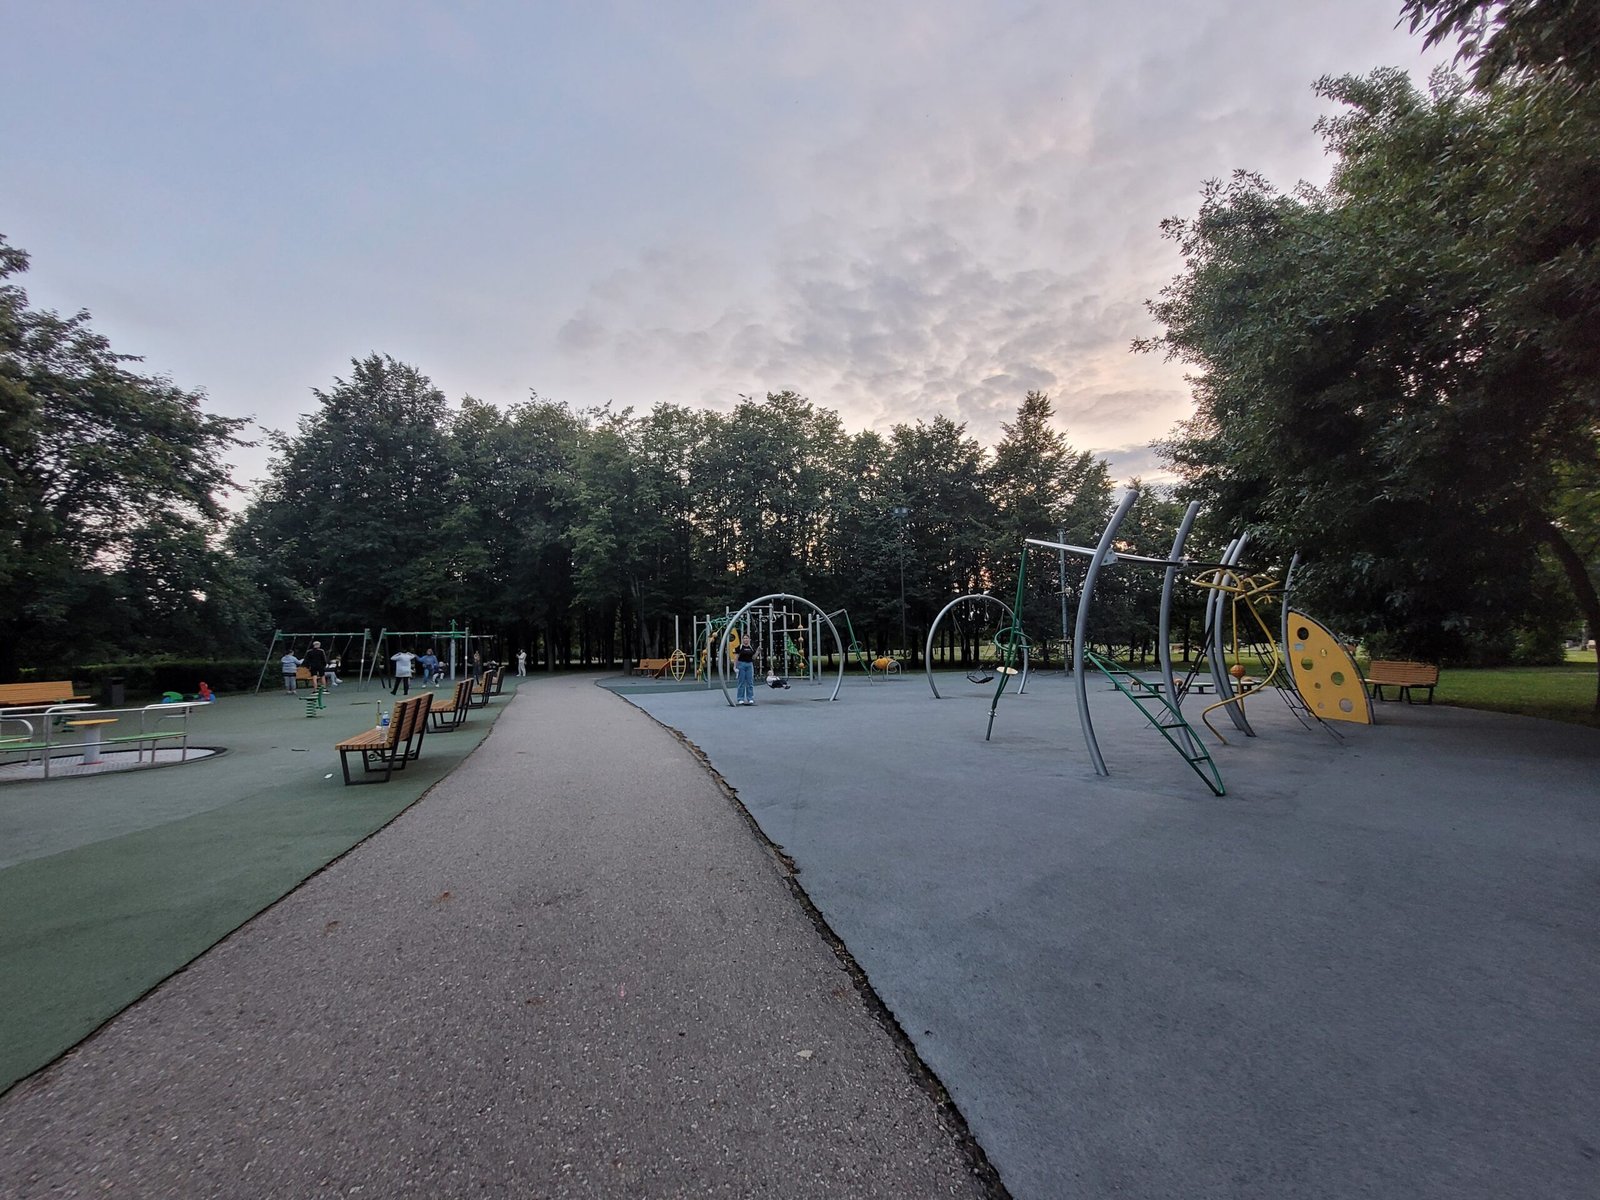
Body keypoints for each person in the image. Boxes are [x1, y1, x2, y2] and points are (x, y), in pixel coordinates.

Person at [734, 639, 758, 706]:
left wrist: (758, 652)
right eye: (744, 638)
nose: (746, 640)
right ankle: (740, 699)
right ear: (742, 640)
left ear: (749, 640)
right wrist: (735, 666)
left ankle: (750, 698)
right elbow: (736, 657)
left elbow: (753, 657)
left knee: (750, 682)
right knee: (741, 682)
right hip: (741, 664)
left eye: (747, 638)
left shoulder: (751, 647)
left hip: (749, 664)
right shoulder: (740, 647)